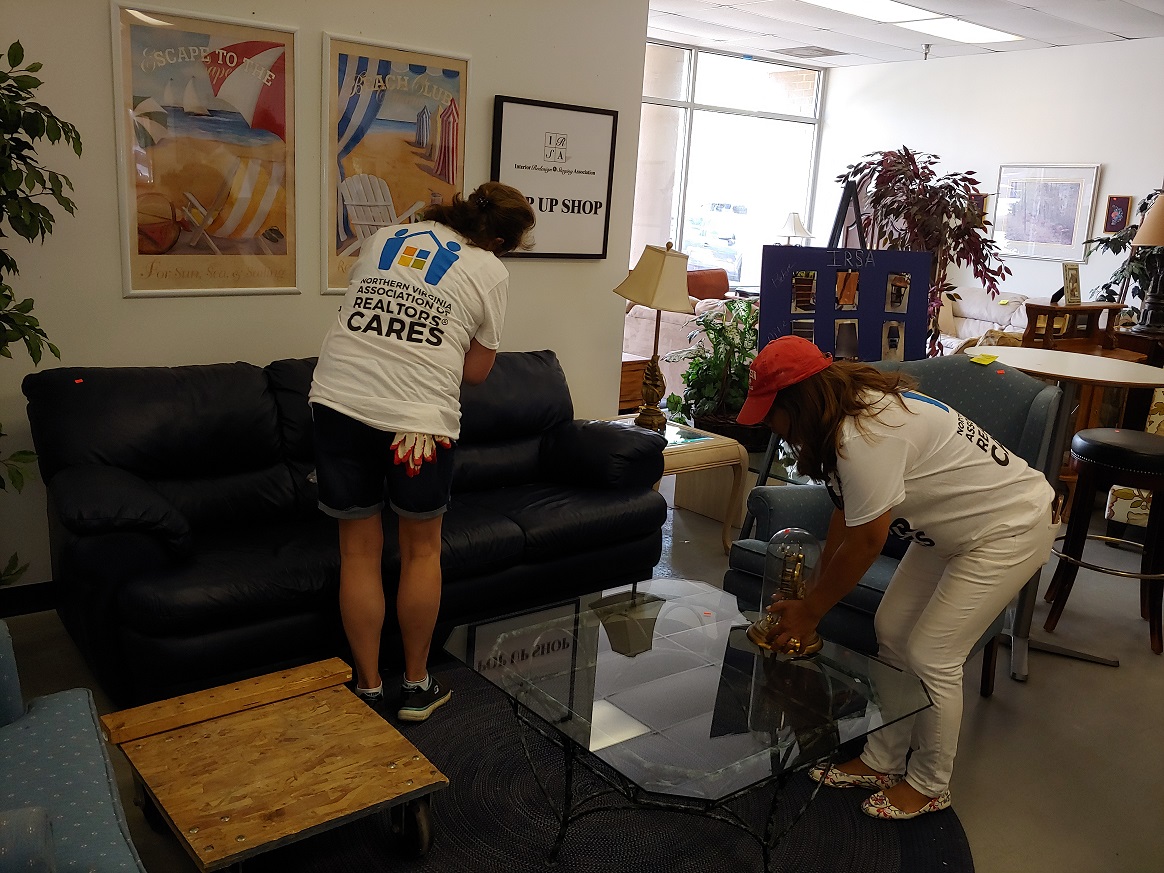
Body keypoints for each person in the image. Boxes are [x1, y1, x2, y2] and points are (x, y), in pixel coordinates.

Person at [736, 335, 1057, 819]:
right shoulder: (843, 419)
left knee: (933, 654)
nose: (771, 427)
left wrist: (811, 611)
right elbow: (849, 512)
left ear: (797, 402)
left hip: (1008, 528)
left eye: (772, 414)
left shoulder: (864, 436)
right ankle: (883, 759)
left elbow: (868, 541)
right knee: (891, 630)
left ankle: (930, 784)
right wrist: (816, 588)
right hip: (949, 529)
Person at [309, 181, 535, 722]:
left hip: (339, 401)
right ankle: (415, 685)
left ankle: (366, 688)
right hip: (419, 425)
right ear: (499, 240)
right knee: (421, 552)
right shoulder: (489, 271)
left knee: (358, 553)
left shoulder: (387, 236)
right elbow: (476, 372)